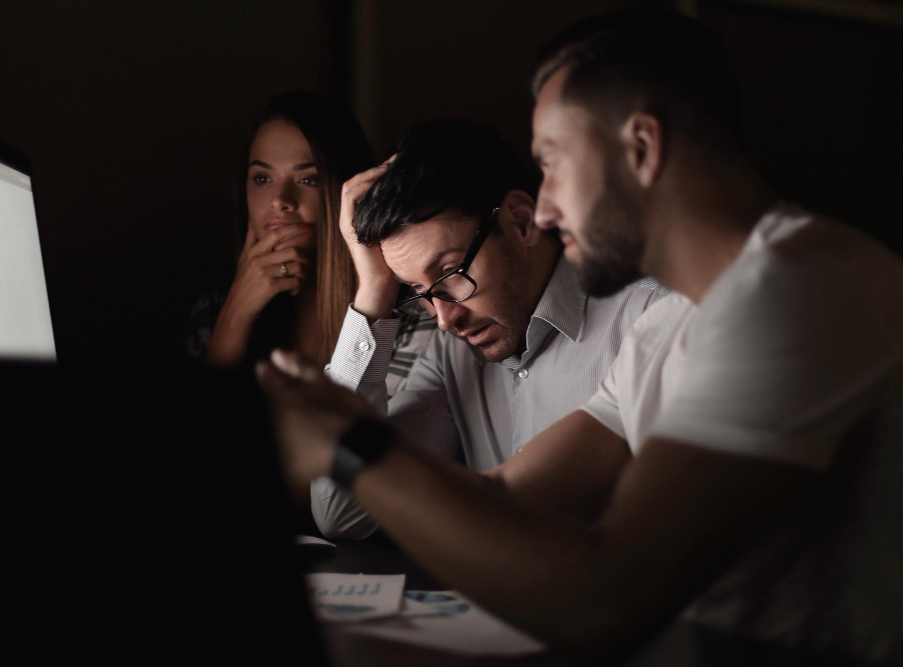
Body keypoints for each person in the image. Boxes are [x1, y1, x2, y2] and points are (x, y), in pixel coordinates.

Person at [258, 11, 903, 663]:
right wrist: (336, 427)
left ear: (643, 148)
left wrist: (351, 445)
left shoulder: (796, 287)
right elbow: (502, 496)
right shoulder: (667, 326)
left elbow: (605, 591)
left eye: (553, 163)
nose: (541, 208)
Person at [313, 118, 669, 538]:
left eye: (450, 272)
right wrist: (373, 293)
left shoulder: (651, 318)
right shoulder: (453, 355)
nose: (444, 319)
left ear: (520, 220)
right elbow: (341, 512)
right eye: (416, 290)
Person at [187, 92, 435, 390]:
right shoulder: (213, 312)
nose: (280, 201)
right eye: (262, 179)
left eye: (308, 180)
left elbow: (364, 432)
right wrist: (235, 315)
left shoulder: (412, 315)